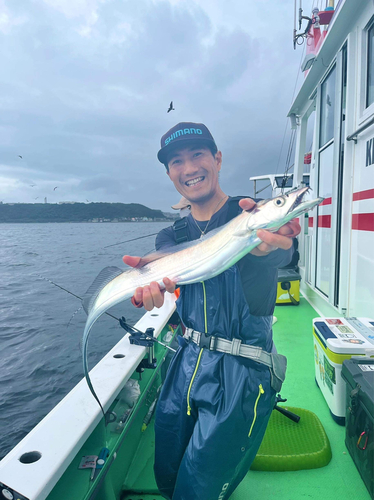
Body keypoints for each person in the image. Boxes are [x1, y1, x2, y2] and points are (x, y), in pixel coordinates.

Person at [123, 122, 300, 500]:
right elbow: (164, 285)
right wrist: (151, 293)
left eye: (198, 154)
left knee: (199, 489)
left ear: (217, 159)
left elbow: (283, 250)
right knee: (167, 474)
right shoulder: (172, 236)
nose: (189, 168)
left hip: (242, 370)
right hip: (185, 360)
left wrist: (275, 245)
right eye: (177, 161)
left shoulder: (249, 212)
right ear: (169, 173)